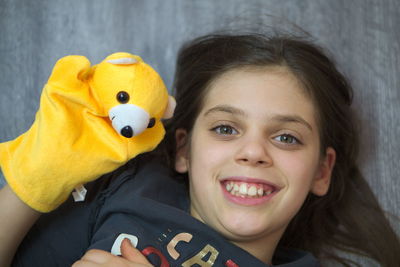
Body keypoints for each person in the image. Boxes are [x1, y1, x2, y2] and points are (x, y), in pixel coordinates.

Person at [0, 31, 399, 267]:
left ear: (320, 171)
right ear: (184, 150)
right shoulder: (128, 189)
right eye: (226, 128)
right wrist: (34, 181)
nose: (253, 151)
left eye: (286, 137)